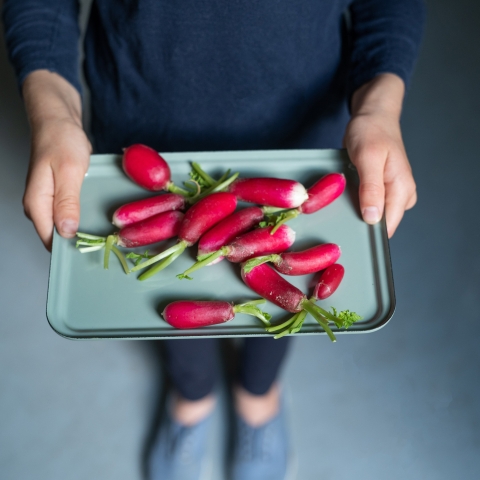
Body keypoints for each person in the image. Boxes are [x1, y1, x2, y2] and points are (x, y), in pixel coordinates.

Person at [3, 1, 425, 479]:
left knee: (285, 296)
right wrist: (53, 110)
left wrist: (380, 105)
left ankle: (258, 394)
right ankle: (192, 394)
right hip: (142, 122)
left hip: (302, 138)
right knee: (173, 303)